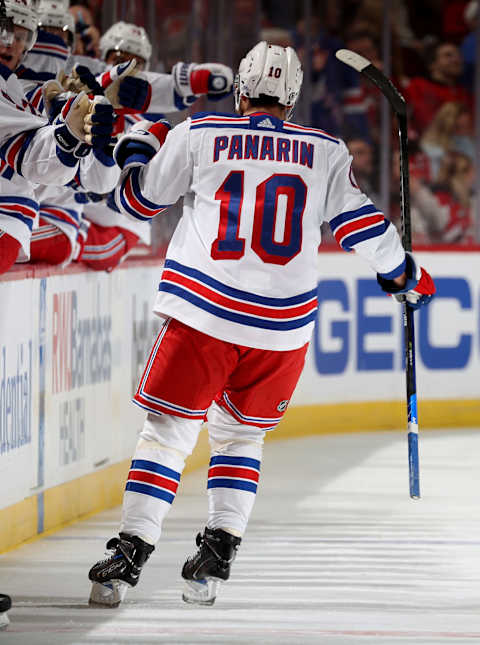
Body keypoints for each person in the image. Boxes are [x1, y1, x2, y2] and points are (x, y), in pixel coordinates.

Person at [87, 40, 436, 608]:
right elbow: (362, 227)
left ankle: (130, 554)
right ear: (292, 101)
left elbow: (136, 204)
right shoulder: (325, 150)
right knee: (242, 435)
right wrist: (405, 276)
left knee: (169, 433)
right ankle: (219, 550)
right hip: (282, 330)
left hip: (203, 313)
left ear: (243, 90)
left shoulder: (198, 133)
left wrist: (135, 146)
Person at [0, 0, 114, 274]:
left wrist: (70, 136)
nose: (11, 44)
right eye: (5, 32)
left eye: (20, 37)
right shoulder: (19, 92)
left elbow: (35, 153)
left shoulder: (21, 95)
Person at [404, 41, 473, 136]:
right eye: (448, 55)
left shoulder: (466, 94)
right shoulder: (418, 86)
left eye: (459, 55)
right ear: (432, 64)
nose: (457, 59)